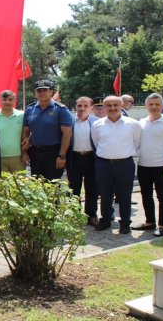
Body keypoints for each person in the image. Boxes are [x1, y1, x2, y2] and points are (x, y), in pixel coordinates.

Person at [131, 94, 163, 237]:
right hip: (144, 165)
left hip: (161, 165)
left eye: (157, 104)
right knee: (146, 195)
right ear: (146, 106)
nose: (153, 107)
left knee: (162, 196)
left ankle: (162, 225)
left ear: (162, 106)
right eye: (151, 104)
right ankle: (150, 222)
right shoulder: (141, 122)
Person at [91, 96, 141, 234]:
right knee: (105, 194)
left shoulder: (133, 124)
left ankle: (125, 223)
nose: (112, 108)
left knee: (125, 195)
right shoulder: (97, 124)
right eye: (109, 106)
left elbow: (136, 142)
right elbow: (96, 142)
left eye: (115, 105)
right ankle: (106, 220)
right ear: (105, 107)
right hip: (104, 164)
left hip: (124, 164)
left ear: (121, 106)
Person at [21, 80, 73, 180]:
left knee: (52, 185)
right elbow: (26, 133)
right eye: (39, 91)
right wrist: (25, 153)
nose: (42, 93)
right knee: (37, 186)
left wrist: (62, 156)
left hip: (53, 153)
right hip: (35, 153)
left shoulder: (60, 109)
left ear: (51, 92)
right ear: (35, 93)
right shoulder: (29, 110)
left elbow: (67, 134)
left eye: (45, 90)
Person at [66, 97, 99, 227]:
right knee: (74, 188)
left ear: (92, 108)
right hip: (74, 158)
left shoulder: (97, 122)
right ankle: (75, 214)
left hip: (92, 158)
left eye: (85, 106)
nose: (82, 108)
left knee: (92, 188)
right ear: (75, 107)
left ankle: (91, 215)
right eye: (79, 105)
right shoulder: (69, 121)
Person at [0, 90, 25, 172]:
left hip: (18, 157)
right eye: (4, 99)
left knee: (19, 184)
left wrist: (25, 154)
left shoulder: (22, 115)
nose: (7, 102)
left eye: (10, 99)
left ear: (14, 100)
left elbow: (25, 135)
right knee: (1, 185)